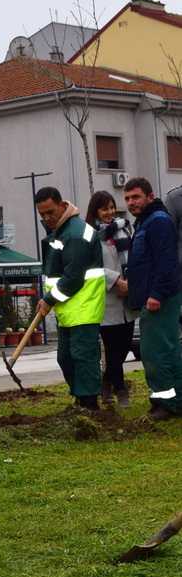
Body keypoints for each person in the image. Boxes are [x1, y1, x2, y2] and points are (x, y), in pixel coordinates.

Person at [35, 186, 105, 410]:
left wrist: (48, 299)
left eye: (50, 212)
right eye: (42, 215)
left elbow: (73, 278)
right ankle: (80, 399)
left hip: (83, 307)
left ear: (63, 206)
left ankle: (89, 403)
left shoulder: (75, 234)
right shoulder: (62, 230)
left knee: (83, 358)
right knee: (66, 358)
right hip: (69, 309)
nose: (46, 219)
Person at [124, 176, 182, 420]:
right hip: (157, 297)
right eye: (127, 198)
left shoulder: (157, 221)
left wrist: (156, 294)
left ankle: (164, 403)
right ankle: (176, 401)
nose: (130, 202)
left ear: (149, 197)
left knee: (155, 354)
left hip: (160, 299)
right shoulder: (146, 221)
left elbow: (166, 262)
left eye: (135, 197)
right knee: (169, 351)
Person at [85, 191, 137, 408]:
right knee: (113, 349)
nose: (110, 212)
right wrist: (117, 281)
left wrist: (130, 283)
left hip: (128, 298)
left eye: (112, 207)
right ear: (95, 211)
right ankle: (121, 392)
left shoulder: (125, 228)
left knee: (124, 347)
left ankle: (105, 385)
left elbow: (135, 257)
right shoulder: (88, 235)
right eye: (105, 208)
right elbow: (90, 267)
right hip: (107, 301)